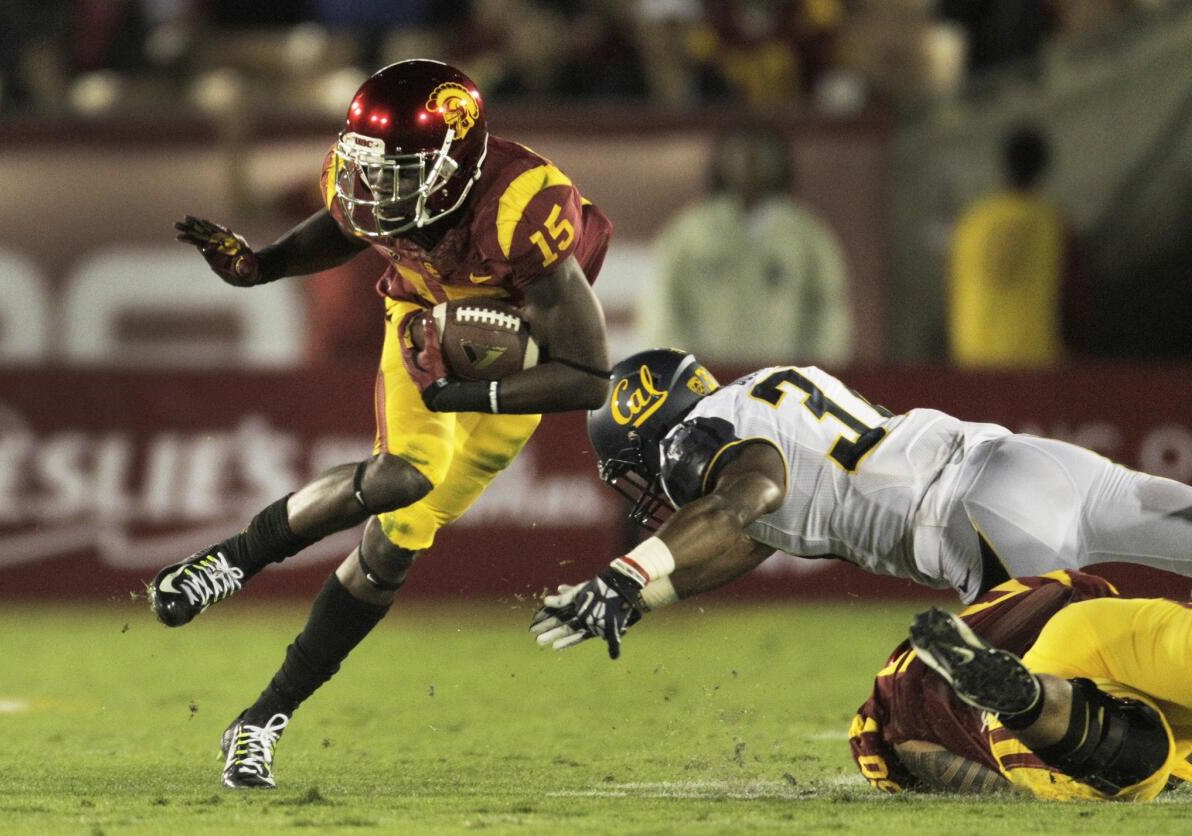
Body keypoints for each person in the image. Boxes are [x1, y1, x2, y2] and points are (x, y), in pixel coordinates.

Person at [150, 59, 613, 788]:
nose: (376, 186)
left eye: (399, 171)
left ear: (454, 163)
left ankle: (259, 719)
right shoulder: (364, 177)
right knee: (405, 472)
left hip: (516, 355)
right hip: (422, 317)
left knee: (395, 543)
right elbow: (345, 225)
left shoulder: (523, 205)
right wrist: (263, 267)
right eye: (371, 167)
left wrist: (465, 394)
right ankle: (228, 561)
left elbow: (587, 376)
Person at [530, 348, 1192, 658]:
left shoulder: (703, 439)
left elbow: (749, 496)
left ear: (654, 429)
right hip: (1034, 462)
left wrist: (627, 573)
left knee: (1034, 713)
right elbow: (752, 533)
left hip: (974, 521)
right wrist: (645, 597)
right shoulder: (760, 392)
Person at [847, 571, 1192, 801]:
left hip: (1057, 695)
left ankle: (1028, 702)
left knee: (1135, 763)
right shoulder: (1016, 599)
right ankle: (1027, 702)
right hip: (1099, 624)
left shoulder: (898, 707)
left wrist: (1012, 787)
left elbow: (909, 750)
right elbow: (1076, 584)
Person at [638, 126, 852, 365]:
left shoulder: (807, 234)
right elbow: (663, 305)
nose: (750, 163)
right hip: (708, 380)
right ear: (721, 162)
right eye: (739, 153)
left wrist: (820, 373)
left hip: (784, 383)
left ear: (780, 163)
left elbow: (828, 310)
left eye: (761, 154)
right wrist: (678, 371)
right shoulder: (690, 231)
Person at [948, 125, 1086, 368]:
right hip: (1035, 361)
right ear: (1044, 166)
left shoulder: (972, 221)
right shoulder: (1053, 223)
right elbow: (1074, 302)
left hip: (972, 359)